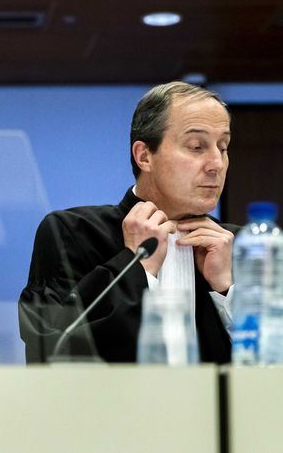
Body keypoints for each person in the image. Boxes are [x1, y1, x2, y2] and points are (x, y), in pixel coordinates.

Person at [19, 81, 237, 364]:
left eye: (223, 147)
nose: (216, 164)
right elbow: (50, 352)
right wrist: (136, 267)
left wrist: (227, 291)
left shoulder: (243, 247)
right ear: (144, 156)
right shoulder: (71, 233)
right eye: (197, 146)